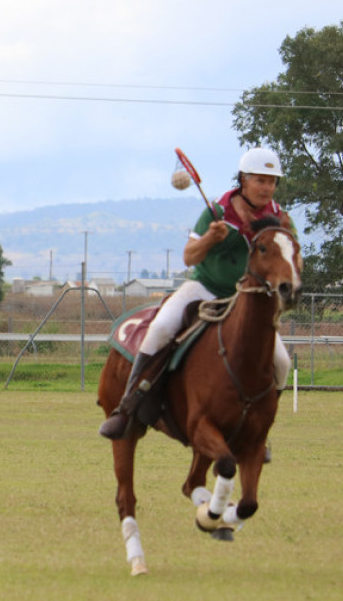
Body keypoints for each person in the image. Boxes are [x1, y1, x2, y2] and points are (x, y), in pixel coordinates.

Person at [99, 146, 294, 440]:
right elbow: (189, 257)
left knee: (282, 362)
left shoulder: (279, 217)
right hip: (204, 288)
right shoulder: (217, 211)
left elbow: (289, 258)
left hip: (246, 300)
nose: (267, 187)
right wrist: (210, 239)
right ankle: (127, 408)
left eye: (272, 181)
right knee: (162, 327)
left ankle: (259, 427)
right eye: (260, 180)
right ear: (243, 179)